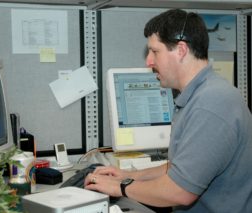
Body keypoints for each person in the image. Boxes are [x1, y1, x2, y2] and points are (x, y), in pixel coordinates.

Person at [84, 8, 252, 212]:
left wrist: (121, 187)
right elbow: (176, 169)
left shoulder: (211, 103)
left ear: (181, 50)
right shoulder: (197, 95)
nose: (149, 61)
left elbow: (179, 191)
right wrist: (129, 176)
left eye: (155, 51)